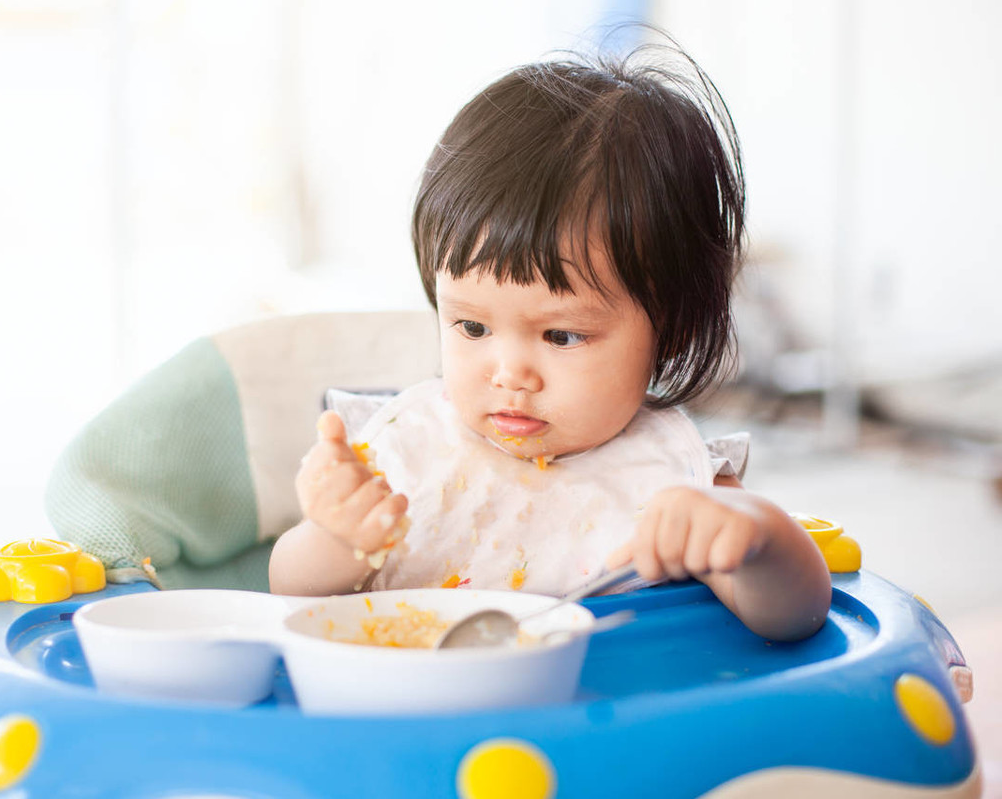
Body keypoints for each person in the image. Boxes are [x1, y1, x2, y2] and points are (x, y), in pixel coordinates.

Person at [268, 47, 831, 641]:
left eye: (561, 335)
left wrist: (758, 540)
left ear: (670, 330)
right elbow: (290, 599)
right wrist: (335, 538)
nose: (509, 373)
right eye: (473, 328)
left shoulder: (675, 480)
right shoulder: (402, 454)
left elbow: (796, 616)